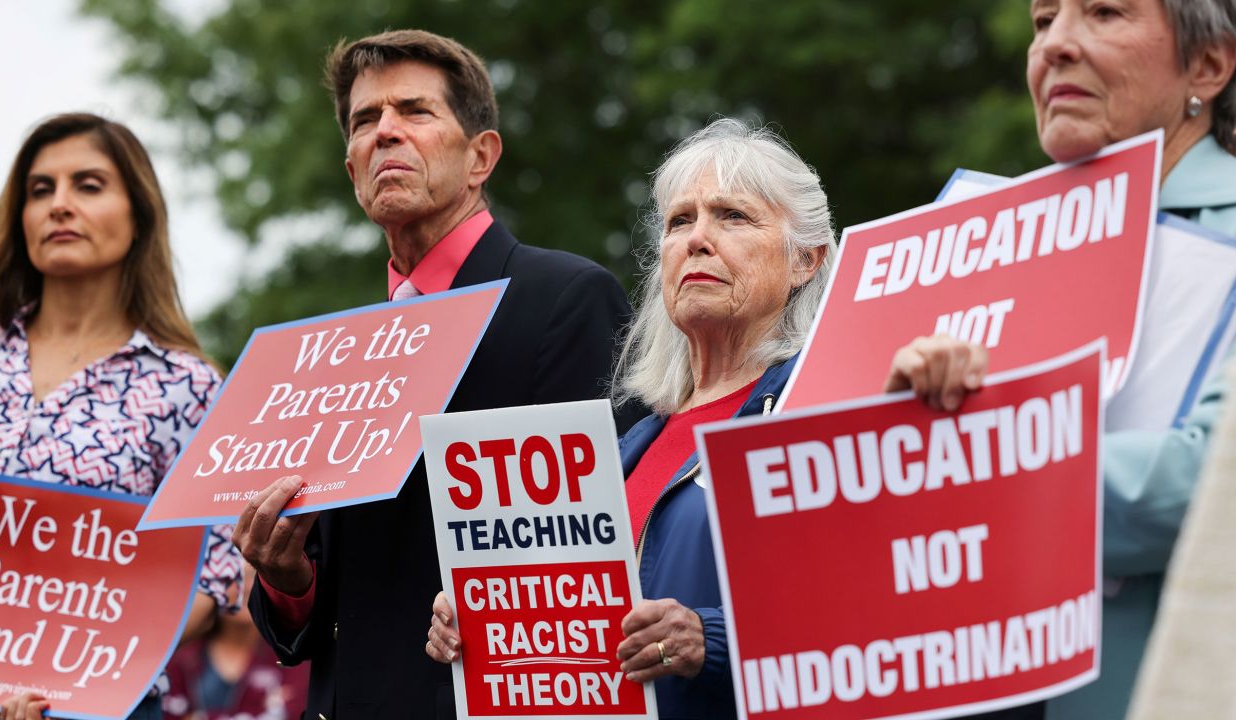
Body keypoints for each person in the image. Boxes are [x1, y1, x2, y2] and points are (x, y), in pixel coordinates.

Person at [425, 118, 1031, 720]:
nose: (697, 239)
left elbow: (892, 601)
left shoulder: (832, 405)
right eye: (679, 221)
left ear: (807, 261)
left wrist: (712, 639)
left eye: (733, 217)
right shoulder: (625, 445)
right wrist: (487, 620)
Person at [238, 30, 639, 718]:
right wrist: (288, 579)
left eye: (414, 112)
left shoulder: (565, 299)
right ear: (351, 168)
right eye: (366, 121)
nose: (385, 133)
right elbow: (320, 612)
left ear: (481, 155)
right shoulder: (336, 354)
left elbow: (610, 547)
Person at [0, 112, 243, 720]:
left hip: (98, 706)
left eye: (88, 185)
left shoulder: (185, 385)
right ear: (21, 219)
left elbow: (216, 576)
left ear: (137, 216)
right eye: (41, 190)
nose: (60, 205)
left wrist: (84, 672)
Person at [1022, 2, 1236, 717]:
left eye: (1103, 12)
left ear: (1207, 65)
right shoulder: (986, 251)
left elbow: (1212, 488)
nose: (1054, 46)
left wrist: (969, 470)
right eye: (1041, 20)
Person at [162, 565, 309, 720]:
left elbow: (294, 714)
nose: (245, 588)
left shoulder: (291, 657)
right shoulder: (179, 656)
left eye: (255, 577)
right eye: (232, 579)